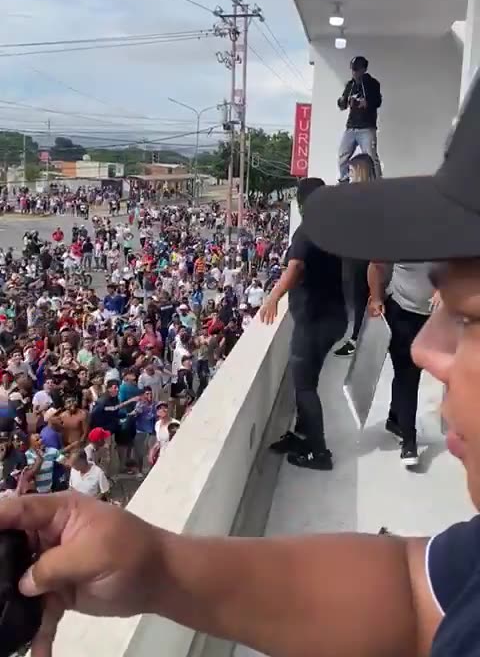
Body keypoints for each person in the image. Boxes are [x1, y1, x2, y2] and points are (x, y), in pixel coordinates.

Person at [6, 72, 480, 657]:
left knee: (307, 384)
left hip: (314, 327)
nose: (423, 348)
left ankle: (317, 443)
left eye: (469, 315)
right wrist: (157, 566)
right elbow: (417, 593)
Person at [260, 177, 347, 470]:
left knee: (305, 387)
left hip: (314, 320)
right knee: (308, 381)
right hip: (333, 317)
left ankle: (318, 452)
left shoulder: (307, 230)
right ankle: (301, 433)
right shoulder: (333, 228)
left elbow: (296, 266)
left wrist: (273, 297)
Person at [368, 261, 434, 467]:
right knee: (408, 376)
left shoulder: (446, 236)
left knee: (407, 374)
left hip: (432, 318)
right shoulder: (399, 234)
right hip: (401, 312)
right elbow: (376, 264)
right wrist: (376, 298)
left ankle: (395, 419)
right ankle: (409, 441)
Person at [335, 153, 376, 357]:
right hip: (354, 254)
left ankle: (356, 339)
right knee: (356, 297)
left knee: (360, 298)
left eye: (351, 171)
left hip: (360, 256)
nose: (348, 176)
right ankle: (357, 337)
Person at [337, 56, 382, 181]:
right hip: (351, 127)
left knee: (371, 157)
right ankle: (344, 180)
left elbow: (378, 101)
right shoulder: (350, 85)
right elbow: (342, 105)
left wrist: (366, 103)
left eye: (357, 69)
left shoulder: (373, 83)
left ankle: (377, 182)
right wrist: (342, 102)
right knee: (342, 156)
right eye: (352, 69)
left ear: (364, 69)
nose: (354, 72)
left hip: (367, 127)